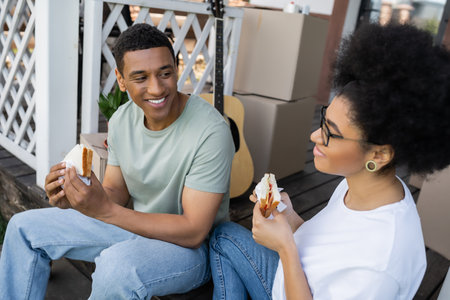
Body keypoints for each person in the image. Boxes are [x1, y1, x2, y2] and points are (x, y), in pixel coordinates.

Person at [209, 22, 450, 300]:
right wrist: (289, 217)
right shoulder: (362, 184)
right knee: (224, 234)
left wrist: (285, 247)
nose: (314, 135)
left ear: (379, 155)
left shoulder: (381, 263)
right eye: (323, 119)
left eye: (330, 133)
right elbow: (323, 253)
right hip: (288, 281)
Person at [0, 23, 234, 299]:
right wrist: (76, 198)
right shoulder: (123, 119)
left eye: (165, 73)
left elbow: (194, 231)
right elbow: (114, 192)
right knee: (23, 228)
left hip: (191, 252)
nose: (157, 88)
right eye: (140, 77)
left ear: (176, 69)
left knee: (117, 268)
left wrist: (105, 211)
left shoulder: (211, 131)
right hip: (135, 225)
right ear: (121, 80)